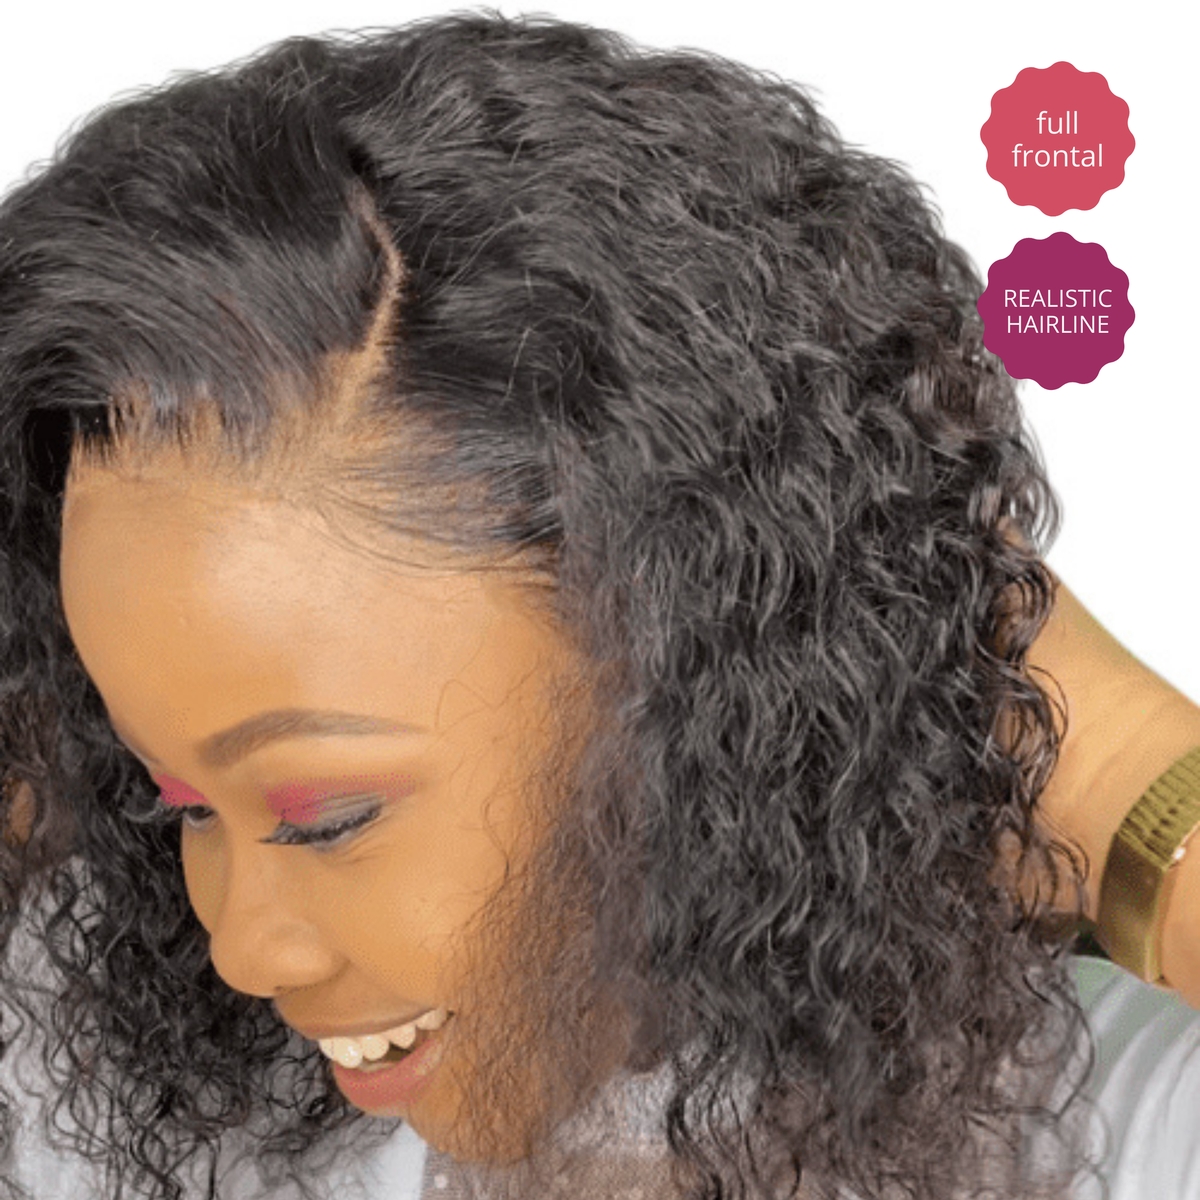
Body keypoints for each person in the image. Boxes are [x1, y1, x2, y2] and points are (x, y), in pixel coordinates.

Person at [0, 13, 1197, 1200]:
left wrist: (1132, 785)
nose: (245, 950)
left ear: (704, 670)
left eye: (330, 818)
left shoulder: (1116, 1124)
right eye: (179, 804)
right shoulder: (129, 1091)